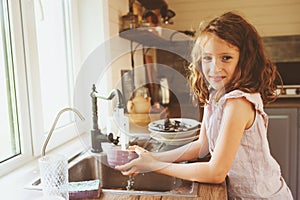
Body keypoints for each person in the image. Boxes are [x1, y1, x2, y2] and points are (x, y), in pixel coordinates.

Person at [115, 11, 293, 199]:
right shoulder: (215, 95)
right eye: (207, 58)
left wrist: (154, 166)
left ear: (245, 60)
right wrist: (152, 157)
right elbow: (201, 146)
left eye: (226, 58)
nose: (214, 68)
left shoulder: (238, 104)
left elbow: (215, 173)